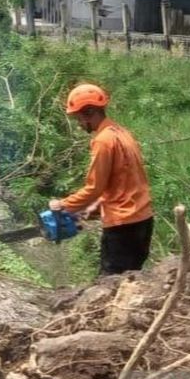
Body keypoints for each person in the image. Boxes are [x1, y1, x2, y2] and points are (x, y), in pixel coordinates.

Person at [49, 83, 154, 275]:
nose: (79, 124)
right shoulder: (122, 133)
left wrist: (63, 205)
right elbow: (123, 182)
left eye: (78, 118)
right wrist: (94, 208)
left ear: (88, 112)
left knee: (109, 285)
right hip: (143, 220)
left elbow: (94, 187)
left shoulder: (103, 141)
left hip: (123, 226)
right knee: (130, 281)